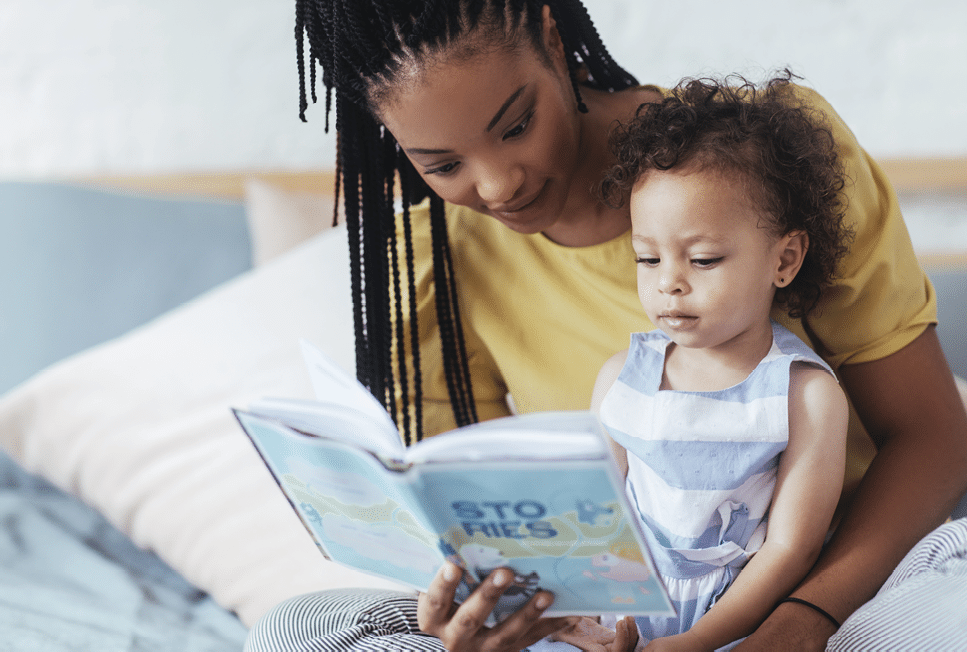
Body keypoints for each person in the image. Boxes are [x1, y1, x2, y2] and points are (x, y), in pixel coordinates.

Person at [245, 1, 967, 650]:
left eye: (516, 124)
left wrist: (798, 623)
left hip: (845, 589)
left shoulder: (766, 163)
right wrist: (483, 613)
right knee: (294, 632)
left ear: (551, 38)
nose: (498, 186)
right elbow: (487, 535)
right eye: (441, 163)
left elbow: (931, 436)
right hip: (615, 617)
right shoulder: (433, 266)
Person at [544, 74, 852, 652]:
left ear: (784, 259)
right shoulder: (620, 379)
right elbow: (591, 522)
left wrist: (698, 642)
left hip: (740, 621)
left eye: (704, 259)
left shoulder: (803, 395)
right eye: (648, 257)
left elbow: (791, 548)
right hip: (619, 615)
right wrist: (584, 625)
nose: (669, 284)